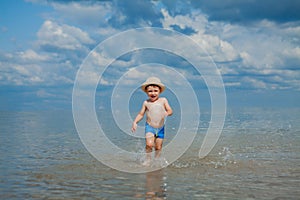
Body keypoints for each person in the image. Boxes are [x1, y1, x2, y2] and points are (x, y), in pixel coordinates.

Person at [131, 77, 173, 166]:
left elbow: (170, 111)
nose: (153, 93)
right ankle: (148, 159)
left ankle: (157, 160)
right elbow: (141, 114)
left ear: (159, 91)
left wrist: (166, 113)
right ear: (146, 92)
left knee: (158, 147)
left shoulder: (163, 100)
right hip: (149, 127)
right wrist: (135, 122)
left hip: (160, 128)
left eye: (155, 91)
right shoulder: (146, 102)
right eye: (150, 91)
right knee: (149, 145)